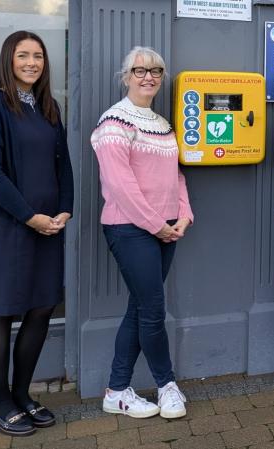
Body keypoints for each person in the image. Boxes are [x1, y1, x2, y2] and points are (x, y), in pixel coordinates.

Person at [0, 31, 73, 436]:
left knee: (41, 308)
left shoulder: (49, 107)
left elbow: (63, 164)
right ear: (8, 60)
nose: (32, 63)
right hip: (8, 226)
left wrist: (64, 208)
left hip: (49, 226)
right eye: (23, 55)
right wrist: (30, 217)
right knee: (2, 311)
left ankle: (21, 395)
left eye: (38, 56)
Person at [91, 46, 193, 419]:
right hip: (129, 229)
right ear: (126, 76)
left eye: (156, 71)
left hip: (166, 229)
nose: (148, 77)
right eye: (139, 70)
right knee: (152, 309)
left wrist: (184, 214)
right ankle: (167, 386)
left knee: (139, 308)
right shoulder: (113, 123)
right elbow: (121, 186)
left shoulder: (163, 124)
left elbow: (176, 175)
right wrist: (157, 225)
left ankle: (117, 391)